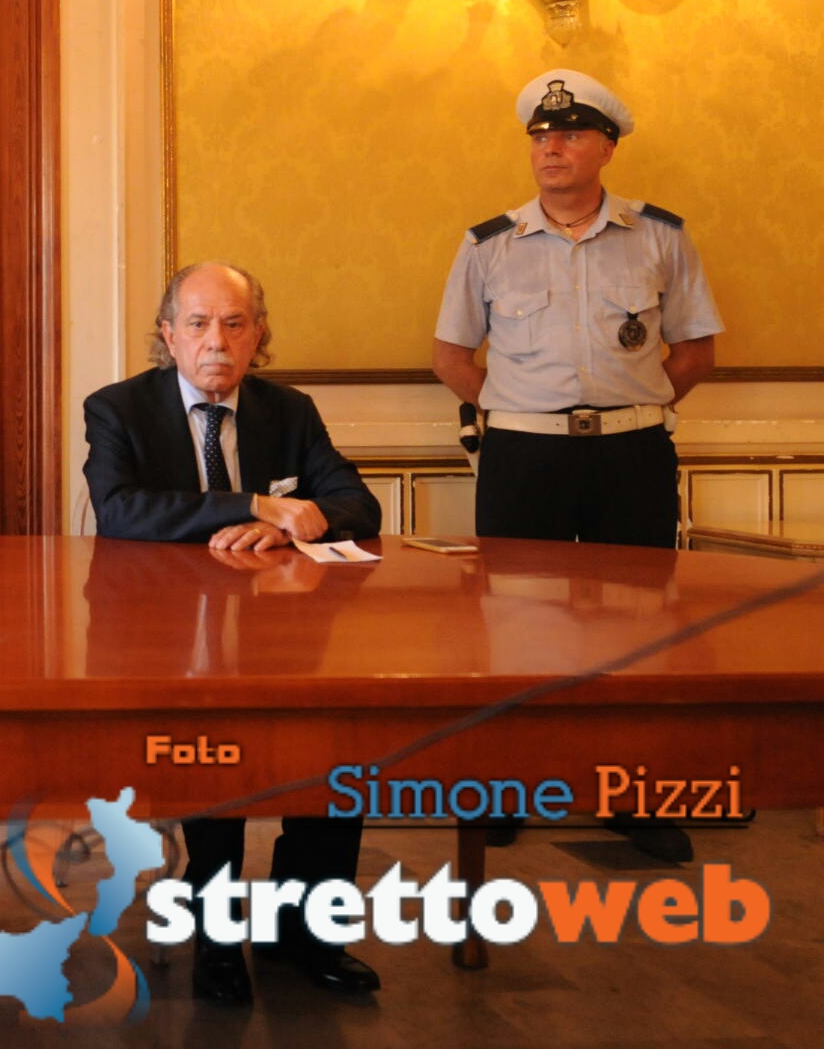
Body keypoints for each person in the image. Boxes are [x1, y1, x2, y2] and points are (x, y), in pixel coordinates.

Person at [433, 68, 722, 863]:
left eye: (568, 135)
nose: (550, 148)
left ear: (607, 147)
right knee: (515, 627)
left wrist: (640, 406)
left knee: (637, 626)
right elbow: (451, 355)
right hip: (523, 457)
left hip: (632, 453)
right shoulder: (489, 244)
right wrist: (513, 411)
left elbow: (695, 350)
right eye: (540, 137)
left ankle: (631, 793)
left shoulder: (659, 236)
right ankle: (507, 788)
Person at [82, 260, 382, 1006]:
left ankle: (303, 930)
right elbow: (120, 510)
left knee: (335, 749)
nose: (216, 340)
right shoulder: (118, 408)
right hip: (164, 635)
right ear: (168, 335)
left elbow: (356, 502)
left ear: (258, 336)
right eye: (197, 324)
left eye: (234, 324)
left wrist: (297, 523)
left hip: (281, 632)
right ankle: (216, 933)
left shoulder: (290, 411)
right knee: (213, 746)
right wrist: (248, 504)